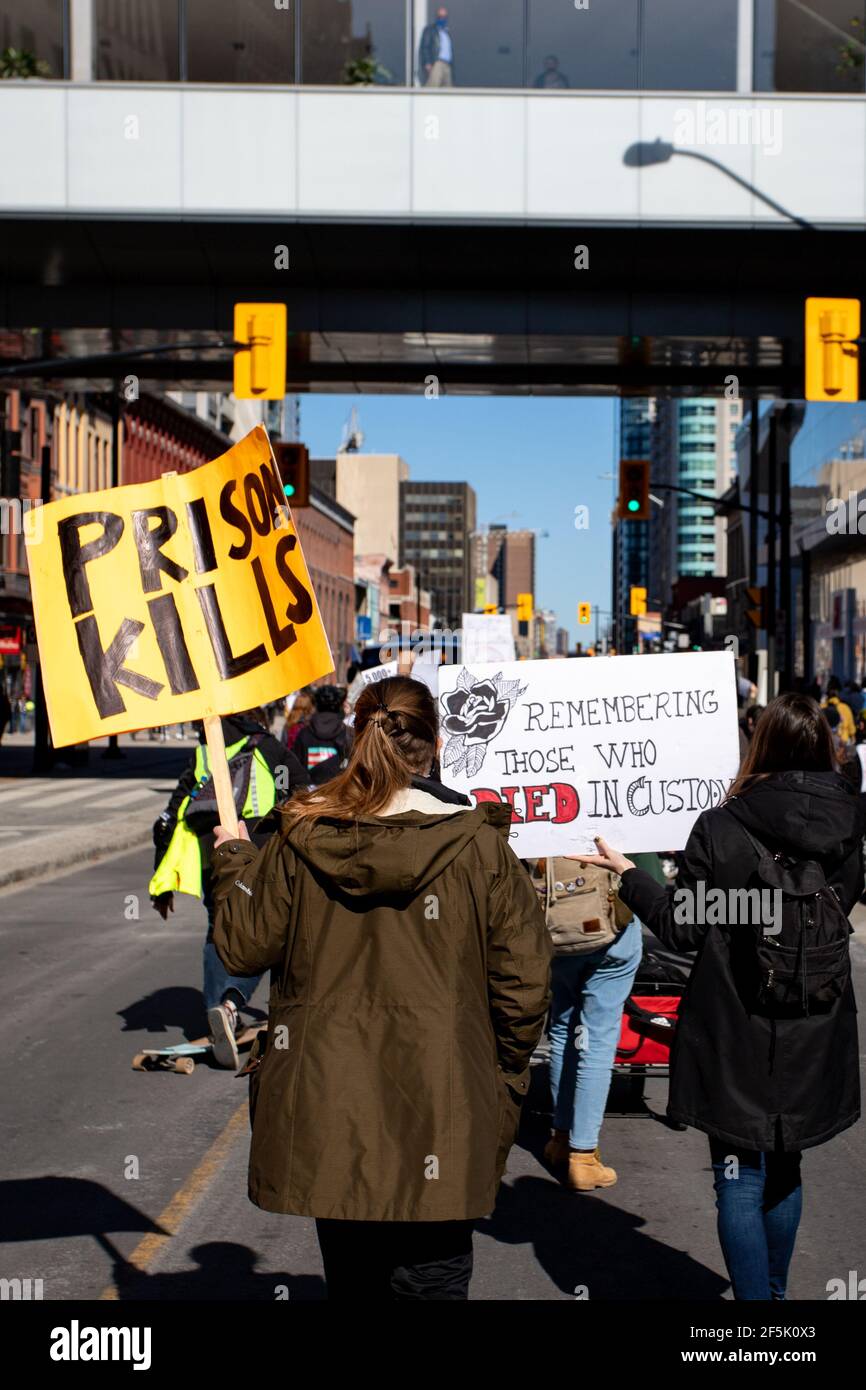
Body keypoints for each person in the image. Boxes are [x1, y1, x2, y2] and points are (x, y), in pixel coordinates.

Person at [211, 676, 551, 1300]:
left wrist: (234, 858)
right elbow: (524, 989)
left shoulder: (300, 833)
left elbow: (241, 946)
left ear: (355, 738)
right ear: (438, 744)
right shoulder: (480, 846)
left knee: (354, 1279)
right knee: (435, 1276)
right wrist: (500, 1076)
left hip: (329, 1102)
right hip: (447, 1101)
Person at [581, 693, 864, 1301]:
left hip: (735, 1020)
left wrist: (629, 875)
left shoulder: (723, 823)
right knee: (786, 1168)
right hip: (817, 1017)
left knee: (738, 1179)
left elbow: (684, 925)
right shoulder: (851, 823)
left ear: (761, 745)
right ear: (824, 750)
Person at [150, 709, 307, 1068]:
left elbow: (171, 816)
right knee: (265, 932)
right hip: (258, 851)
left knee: (217, 926)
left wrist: (160, 882)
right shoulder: (266, 745)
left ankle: (215, 1013)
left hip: (212, 851)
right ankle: (230, 1008)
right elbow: (302, 788)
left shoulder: (205, 749)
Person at [535, 855, 641, 1190]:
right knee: (597, 1041)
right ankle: (583, 1156)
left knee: (563, 1030)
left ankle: (561, 1139)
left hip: (554, 931)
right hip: (608, 931)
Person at [292, 684, 352, 784]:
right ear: (340, 706)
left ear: (316, 705)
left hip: (310, 795)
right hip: (341, 795)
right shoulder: (349, 734)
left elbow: (294, 769)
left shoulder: (304, 734)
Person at [420, 6, 454, 87]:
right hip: (437, 63)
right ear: (436, 17)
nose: (442, 19)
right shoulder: (431, 30)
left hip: (447, 64)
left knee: (448, 90)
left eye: (444, 17)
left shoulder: (446, 32)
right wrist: (427, 62)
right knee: (433, 88)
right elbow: (425, 46)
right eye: (440, 17)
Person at [822, 676, 856, 746]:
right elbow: (852, 730)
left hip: (826, 745)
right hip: (843, 745)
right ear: (838, 692)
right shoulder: (845, 708)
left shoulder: (821, 707)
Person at [280, 689, 313, 754]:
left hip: (291, 759)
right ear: (309, 707)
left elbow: (283, 745)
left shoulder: (289, 723)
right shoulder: (310, 724)